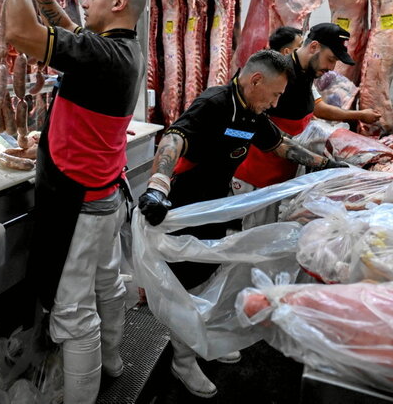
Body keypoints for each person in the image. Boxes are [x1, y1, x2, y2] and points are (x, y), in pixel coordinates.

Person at [0, 0, 147, 404]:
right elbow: (71, 30)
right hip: (104, 196)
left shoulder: (106, 56)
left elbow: (19, 33)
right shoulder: (122, 50)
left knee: (73, 314)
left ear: (119, 3)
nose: (87, 0)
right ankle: (115, 360)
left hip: (79, 205)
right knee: (108, 284)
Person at [138, 49, 345, 398]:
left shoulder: (251, 111)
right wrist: (157, 186)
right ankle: (183, 360)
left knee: (207, 279)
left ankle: (199, 340)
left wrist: (324, 164)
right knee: (185, 286)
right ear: (256, 80)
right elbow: (174, 138)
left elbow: (280, 145)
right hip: (183, 206)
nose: (277, 102)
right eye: (276, 94)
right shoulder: (216, 103)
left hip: (215, 205)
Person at [231, 24, 380, 228]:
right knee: (254, 236)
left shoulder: (307, 72)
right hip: (257, 172)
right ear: (314, 47)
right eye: (331, 59)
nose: (332, 67)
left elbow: (313, 110)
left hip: (282, 169)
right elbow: (238, 124)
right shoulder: (276, 73)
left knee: (272, 230)